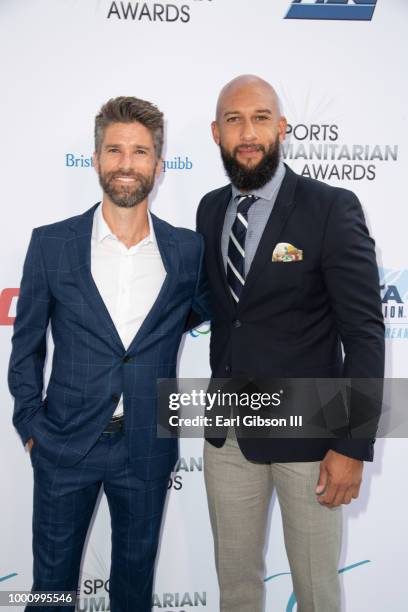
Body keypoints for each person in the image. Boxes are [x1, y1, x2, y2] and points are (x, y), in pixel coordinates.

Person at [8, 96, 209, 612]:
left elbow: (197, 321)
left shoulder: (187, 251)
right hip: (63, 445)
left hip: (145, 448)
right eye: (114, 150)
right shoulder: (52, 244)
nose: (126, 163)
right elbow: (26, 345)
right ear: (96, 159)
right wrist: (32, 427)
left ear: (158, 166)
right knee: (50, 592)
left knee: (133, 594)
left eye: (140, 152)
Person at [195, 75, 384, 612]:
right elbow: (219, 309)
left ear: (281, 128)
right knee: (236, 591)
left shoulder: (331, 207)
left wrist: (352, 443)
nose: (247, 132)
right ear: (217, 132)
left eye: (259, 118)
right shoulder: (211, 211)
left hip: (311, 440)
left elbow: (365, 333)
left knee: (317, 592)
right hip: (228, 437)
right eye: (234, 120)